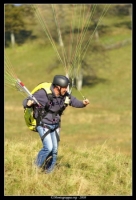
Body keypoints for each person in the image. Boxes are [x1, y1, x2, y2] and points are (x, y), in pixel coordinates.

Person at [22, 75, 89, 173]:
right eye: (65, 87)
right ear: (57, 87)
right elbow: (25, 101)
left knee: (54, 150)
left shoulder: (65, 95)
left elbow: (73, 101)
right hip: (43, 124)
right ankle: (34, 169)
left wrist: (83, 103)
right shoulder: (43, 94)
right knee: (48, 147)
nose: (66, 90)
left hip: (55, 125)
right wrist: (28, 103)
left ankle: (48, 173)